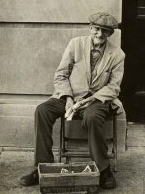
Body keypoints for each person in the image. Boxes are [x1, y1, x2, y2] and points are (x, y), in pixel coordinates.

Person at [20, 12, 125, 189]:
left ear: (110, 34)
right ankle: (41, 167)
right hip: (69, 95)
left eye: (105, 31)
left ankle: (103, 170)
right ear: (90, 28)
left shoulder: (117, 54)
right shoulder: (75, 44)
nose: (100, 34)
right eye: (97, 29)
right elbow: (61, 75)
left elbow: (114, 87)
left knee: (92, 117)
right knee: (42, 110)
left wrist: (91, 99)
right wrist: (68, 98)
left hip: (96, 100)